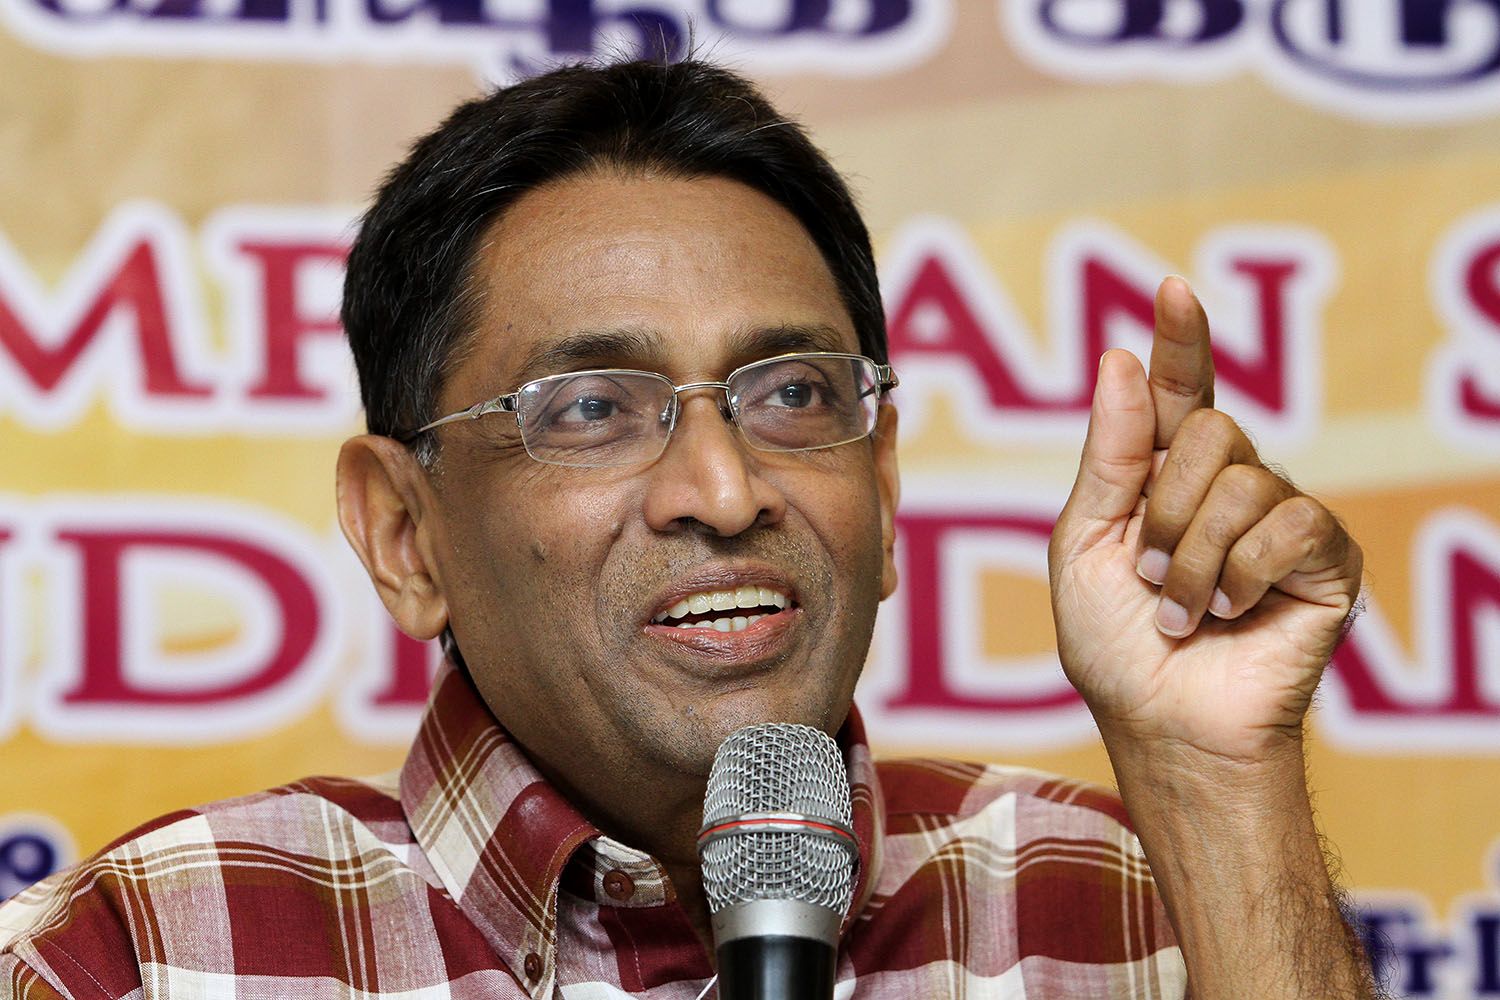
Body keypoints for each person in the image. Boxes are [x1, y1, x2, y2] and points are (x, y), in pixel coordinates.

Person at [0, 58, 1379, 999]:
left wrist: (1216, 786)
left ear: (887, 482)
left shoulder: (1119, 908)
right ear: (405, 535)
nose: (724, 493)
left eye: (792, 394)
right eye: (594, 408)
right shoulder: (163, 952)